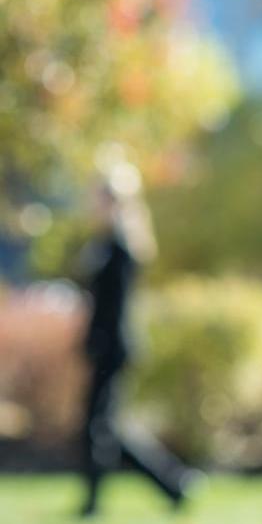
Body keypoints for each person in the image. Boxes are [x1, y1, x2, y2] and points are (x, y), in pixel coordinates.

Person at [77, 161, 200, 517]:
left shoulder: (120, 246)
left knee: (100, 427)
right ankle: (172, 483)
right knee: (105, 428)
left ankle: (167, 482)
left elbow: (114, 308)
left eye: (100, 197)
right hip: (103, 344)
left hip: (113, 345)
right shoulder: (104, 243)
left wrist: (98, 341)